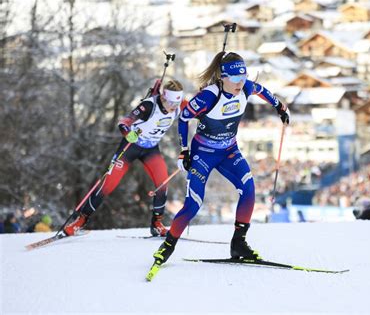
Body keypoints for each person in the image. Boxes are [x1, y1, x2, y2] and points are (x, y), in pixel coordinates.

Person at [149, 51, 290, 267]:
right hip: (203, 154)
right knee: (193, 204)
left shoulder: (246, 88)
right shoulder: (208, 96)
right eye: (235, 79)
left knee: (248, 189)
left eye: (243, 77)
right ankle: (167, 247)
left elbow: (264, 91)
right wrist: (184, 151)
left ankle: (239, 243)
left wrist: (279, 107)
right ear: (223, 77)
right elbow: (184, 118)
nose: (240, 83)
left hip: (229, 151)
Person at [63, 79, 185, 237]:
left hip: (150, 149)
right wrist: (129, 133)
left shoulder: (178, 105)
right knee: (109, 182)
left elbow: (200, 106)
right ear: (163, 97)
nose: (173, 107)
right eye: (170, 103)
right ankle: (80, 221)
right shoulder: (149, 105)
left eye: (177, 103)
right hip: (130, 147)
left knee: (162, 182)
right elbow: (124, 122)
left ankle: (156, 224)